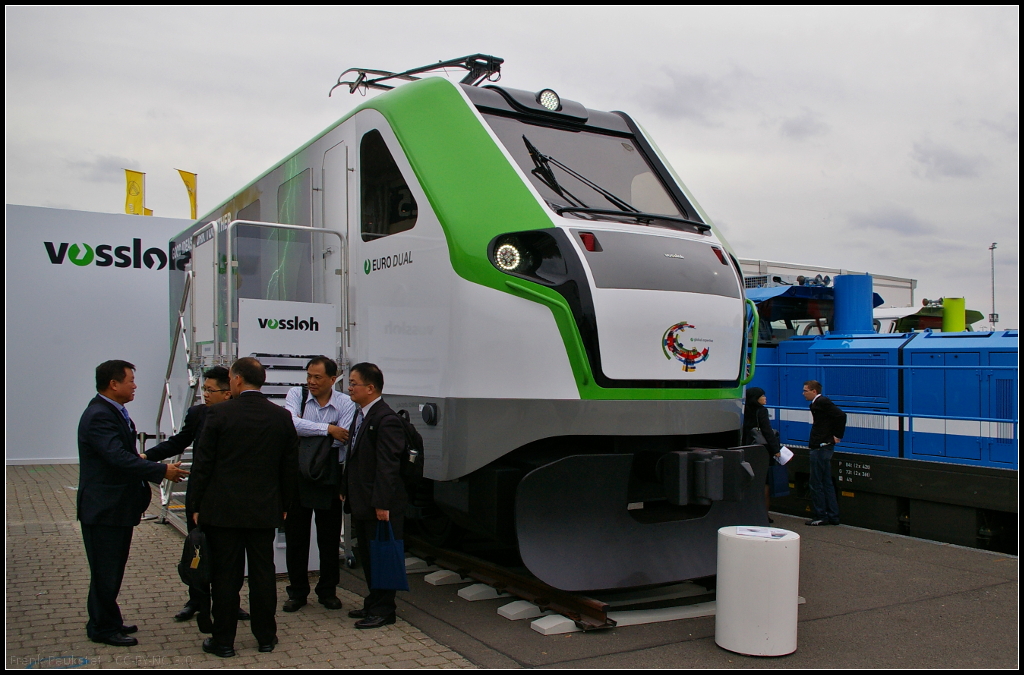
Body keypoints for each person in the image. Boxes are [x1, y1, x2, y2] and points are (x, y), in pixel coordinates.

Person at [189, 357, 298, 657]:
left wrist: (195, 504)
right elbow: (289, 467)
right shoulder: (281, 417)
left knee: (226, 577)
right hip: (263, 511)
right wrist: (284, 505)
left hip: (222, 512)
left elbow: (203, 465)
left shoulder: (219, 414)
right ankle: (266, 637)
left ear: (236, 380)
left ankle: (223, 641)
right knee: (264, 575)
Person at [77, 360, 189, 647]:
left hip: (115, 507)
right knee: (106, 570)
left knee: (111, 568)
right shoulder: (100, 415)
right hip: (104, 509)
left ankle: (106, 620)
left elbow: (120, 455)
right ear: (113, 384)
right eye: (130, 380)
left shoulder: (112, 411)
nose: (135, 385)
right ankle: (103, 628)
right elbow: (116, 457)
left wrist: (143, 462)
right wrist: (161, 471)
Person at [143, 366, 249, 624]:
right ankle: (198, 600)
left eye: (210, 390)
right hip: (200, 494)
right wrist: (147, 457)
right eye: (204, 389)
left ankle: (228, 602)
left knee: (230, 554)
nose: (205, 394)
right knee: (197, 548)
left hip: (230, 495)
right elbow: (179, 442)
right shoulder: (197, 414)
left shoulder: (240, 414)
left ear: (227, 392)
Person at [281, 356, 355, 613]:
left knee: (329, 537)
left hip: (329, 476)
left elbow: (343, 437)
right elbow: (289, 425)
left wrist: (311, 431)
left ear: (333, 380)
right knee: (296, 537)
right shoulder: (296, 394)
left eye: (317, 377)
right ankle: (297, 592)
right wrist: (327, 429)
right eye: (309, 376)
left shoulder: (346, 402)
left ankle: (328, 590)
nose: (311, 382)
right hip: (297, 477)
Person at [341, 362, 408, 629]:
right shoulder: (362, 414)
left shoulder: (386, 419)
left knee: (381, 556)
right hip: (362, 500)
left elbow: (388, 466)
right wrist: (345, 490)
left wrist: (382, 503)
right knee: (368, 554)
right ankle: (373, 601)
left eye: (354, 383)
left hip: (379, 504)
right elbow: (354, 458)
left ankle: (384, 610)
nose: (350, 388)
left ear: (371, 388)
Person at [802, 380, 846, 526]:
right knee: (826, 482)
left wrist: (837, 436)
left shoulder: (822, 401)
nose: (803, 393)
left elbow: (840, 415)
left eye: (805, 391)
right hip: (823, 445)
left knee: (816, 482)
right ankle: (833, 515)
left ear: (814, 391)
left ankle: (821, 515)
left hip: (821, 447)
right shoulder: (818, 403)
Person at [743, 387, 782, 523]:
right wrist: (776, 449)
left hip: (749, 448)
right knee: (765, 483)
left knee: (752, 482)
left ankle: (749, 512)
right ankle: (764, 514)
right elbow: (767, 431)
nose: (765, 398)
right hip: (762, 451)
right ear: (756, 398)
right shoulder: (762, 411)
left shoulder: (746, 410)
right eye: (762, 395)